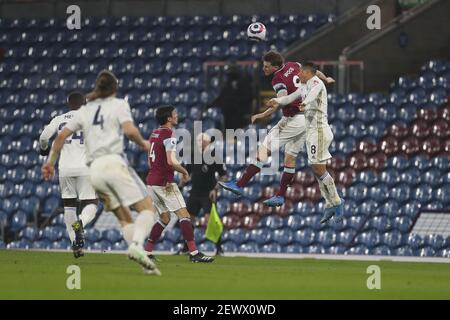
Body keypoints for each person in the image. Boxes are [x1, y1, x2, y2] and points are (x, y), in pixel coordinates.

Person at [42, 70, 161, 275]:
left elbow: (59, 137)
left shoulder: (84, 111)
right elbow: (130, 131)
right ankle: (137, 245)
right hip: (113, 163)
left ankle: (143, 263)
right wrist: (144, 144)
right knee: (148, 209)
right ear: (114, 88)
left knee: (124, 217)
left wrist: (50, 163)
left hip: (94, 171)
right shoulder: (119, 104)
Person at [219, 50, 335, 207]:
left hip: (293, 119)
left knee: (263, 149)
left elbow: (281, 101)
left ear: (275, 66)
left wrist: (262, 114)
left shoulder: (277, 79)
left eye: (267, 67)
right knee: (289, 158)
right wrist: (326, 78)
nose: (264, 69)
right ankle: (280, 196)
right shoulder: (295, 65)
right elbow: (315, 73)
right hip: (306, 121)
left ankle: (239, 184)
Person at [268, 62, 344, 223]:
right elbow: (290, 97)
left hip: (320, 131)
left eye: (301, 71)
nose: (298, 74)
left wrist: (305, 104)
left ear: (309, 73)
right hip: (312, 132)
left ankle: (337, 203)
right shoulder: (303, 85)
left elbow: (311, 96)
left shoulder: (317, 83)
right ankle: (330, 203)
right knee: (317, 169)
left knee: (317, 167)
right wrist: (277, 101)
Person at [143, 106, 214, 263]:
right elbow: (171, 160)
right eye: (174, 114)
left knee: (165, 218)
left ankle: (147, 251)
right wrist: (183, 171)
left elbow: (150, 160)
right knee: (184, 215)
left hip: (151, 182)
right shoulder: (169, 134)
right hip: (164, 183)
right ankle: (194, 253)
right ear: (169, 118)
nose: (177, 115)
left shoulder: (154, 134)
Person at [39, 91, 99, 258]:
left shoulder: (59, 119)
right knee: (92, 203)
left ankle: (75, 244)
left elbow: (44, 137)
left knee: (69, 205)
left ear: (68, 104)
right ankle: (81, 223)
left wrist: (44, 150)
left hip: (65, 168)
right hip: (85, 168)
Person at [177, 133, 227, 256]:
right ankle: (186, 247)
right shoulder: (193, 156)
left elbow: (223, 175)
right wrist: (180, 185)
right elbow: (186, 173)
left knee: (210, 220)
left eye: (202, 141)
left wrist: (215, 189)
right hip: (194, 192)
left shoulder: (214, 156)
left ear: (208, 142)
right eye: (199, 141)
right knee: (188, 220)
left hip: (207, 193)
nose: (200, 143)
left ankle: (219, 248)